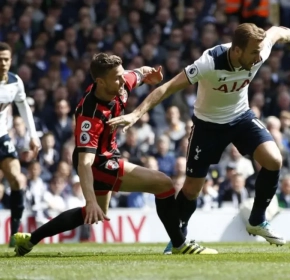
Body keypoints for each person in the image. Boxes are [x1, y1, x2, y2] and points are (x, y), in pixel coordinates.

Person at [108, 23, 290, 254]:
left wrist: (287, 34)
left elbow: (276, 31)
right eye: (253, 52)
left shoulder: (260, 49)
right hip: (207, 125)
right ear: (236, 50)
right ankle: (177, 240)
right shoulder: (209, 62)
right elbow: (167, 88)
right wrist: (136, 114)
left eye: (259, 51)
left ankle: (256, 220)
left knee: (274, 160)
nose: (258, 57)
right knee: (192, 188)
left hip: (240, 117)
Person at [14, 53, 217, 256]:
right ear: (101, 82)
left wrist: (150, 76)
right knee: (163, 184)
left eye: (122, 74)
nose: (123, 80)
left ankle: (30, 239)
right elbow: (84, 163)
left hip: (107, 155)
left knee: (94, 213)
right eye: (117, 77)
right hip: (98, 163)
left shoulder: (120, 83)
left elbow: (140, 72)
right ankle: (180, 244)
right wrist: (90, 199)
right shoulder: (90, 114)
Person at [0, 42, 41, 247]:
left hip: (2, 138)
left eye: (6, 59)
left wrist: (33, 135)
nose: (3, 63)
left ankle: (14, 235)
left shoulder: (15, 82)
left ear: (11, 60)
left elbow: (24, 108)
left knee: (17, 180)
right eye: (0, 60)